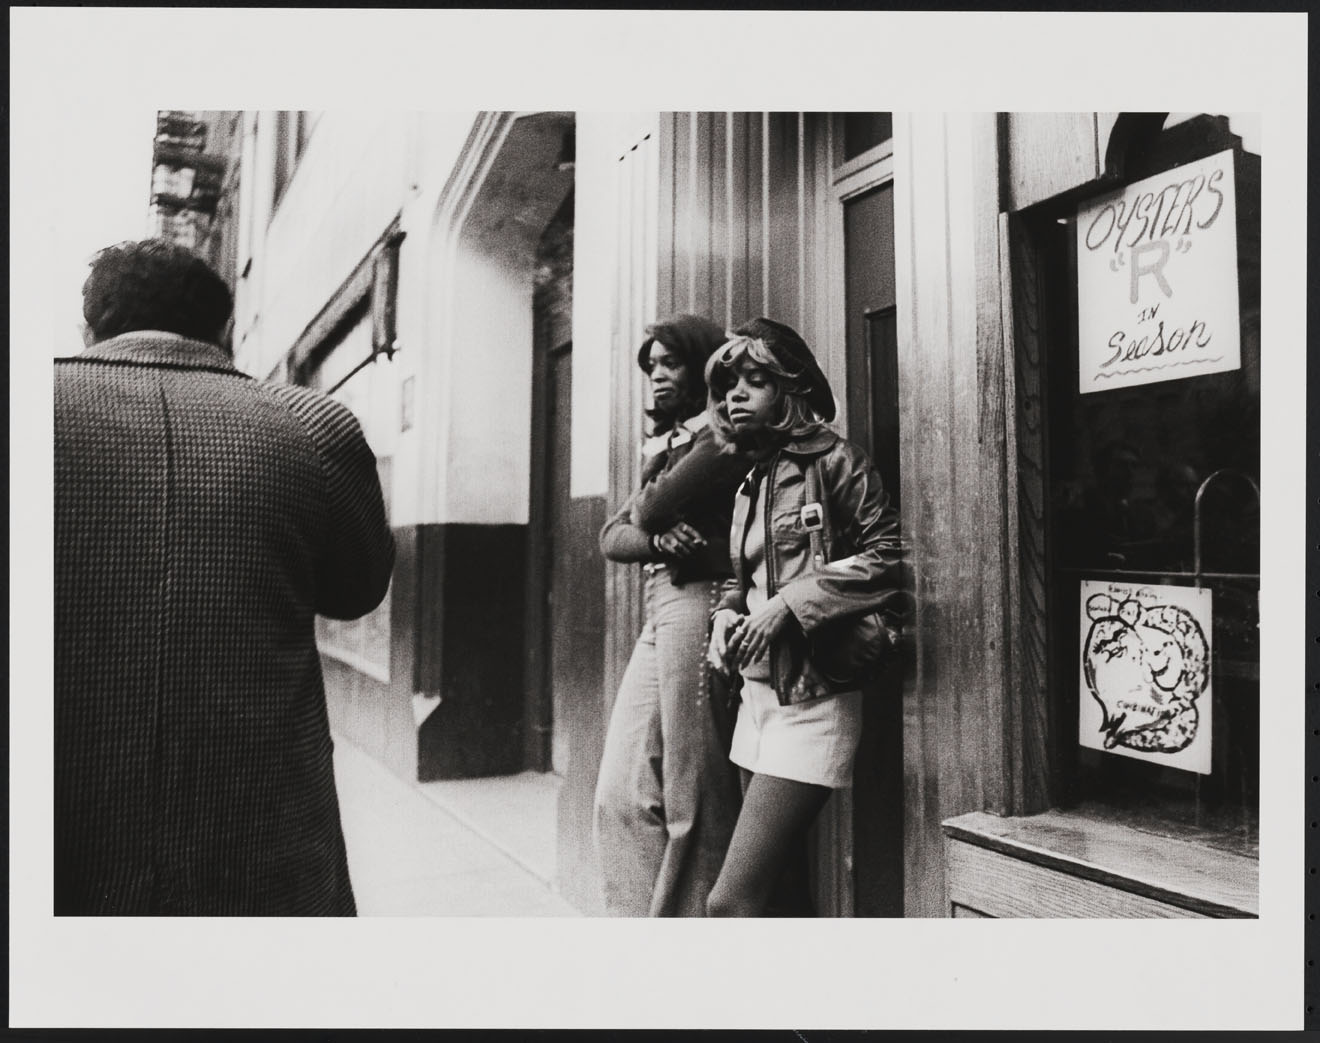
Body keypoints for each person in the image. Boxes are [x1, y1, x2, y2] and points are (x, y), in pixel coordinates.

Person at [54, 239, 395, 915]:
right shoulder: (311, 425)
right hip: (263, 844)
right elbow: (358, 590)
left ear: (91, 329)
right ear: (222, 332)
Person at [703, 317, 904, 917]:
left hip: (815, 700)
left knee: (730, 903)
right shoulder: (750, 481)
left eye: (756, 381)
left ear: (791, 389)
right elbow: (743, 584)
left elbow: (890, 554)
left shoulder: (836, 461)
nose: (737, 394)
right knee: (779, 896)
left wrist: (791, 605)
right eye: (730, 382)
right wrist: (723, 617)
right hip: (758, 700)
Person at [593, 314, 750, 916]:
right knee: (621, 790)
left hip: (700, 601)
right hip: (660, 606)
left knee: (694, 788)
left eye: (670, 363)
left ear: (703, 364)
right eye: (650, 366)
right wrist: (655, 540)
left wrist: (650, 518)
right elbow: (614, 536)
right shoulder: (672, 443)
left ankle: (697, 941)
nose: (657, 376)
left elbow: (652, 508)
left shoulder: (719, 433)